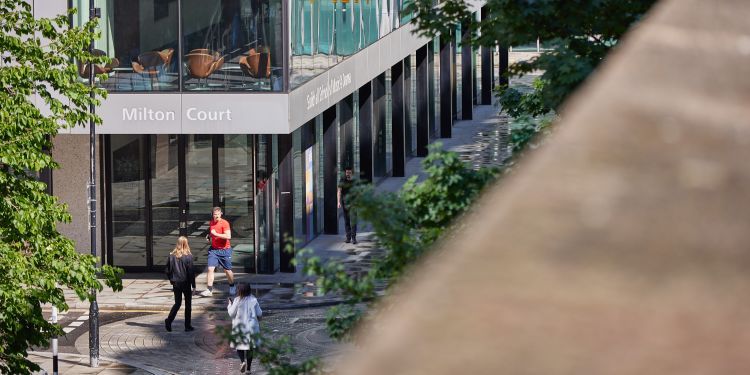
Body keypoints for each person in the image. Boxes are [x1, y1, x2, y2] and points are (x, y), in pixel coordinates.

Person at [200, 207, 236, 297]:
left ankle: (232, 286)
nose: (216, 216)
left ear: (221, 214)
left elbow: (228, 236)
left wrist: (216, 234)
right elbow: (212, 232)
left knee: (227, 270)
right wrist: (209, 236)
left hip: (224, 250)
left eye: (218, 214)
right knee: (210, 268)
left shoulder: (225, 223)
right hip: (214, 250)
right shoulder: (212, 222)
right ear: (212, 215)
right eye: (214, 214)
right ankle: (209, 289)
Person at [228, 283, 263, 374]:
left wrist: (229, 305)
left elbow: (231, 313)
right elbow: (259, 313)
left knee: (240, 347)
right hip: (251, 328)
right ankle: (248, 369)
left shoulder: (237, 300)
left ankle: (242, 362)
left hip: (240, 327)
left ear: (239, 291)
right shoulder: (254, 300)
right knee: (250, 348)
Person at [164, 236, 196, 332]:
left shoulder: (171, 255)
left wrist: (171, 279)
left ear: (177, 243)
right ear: (186, 244)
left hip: (176, 283)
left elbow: (167, 270)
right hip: (185, 283)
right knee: (188, 305)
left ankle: (169, 321)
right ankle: (187, 325)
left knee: (177, 304)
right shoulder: (189, 256)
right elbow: (191, 272)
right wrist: (193, 286)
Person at [337, 167, 358, 244]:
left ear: (352, 173)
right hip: (345, 202)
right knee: (346, 220)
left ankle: (354, 238)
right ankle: (348, 237)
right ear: (345, 173)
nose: (348, 174)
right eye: (347, 173)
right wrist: (338, 202)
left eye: (349, 172)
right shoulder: (342, 180)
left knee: (353, 220)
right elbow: (339, 191)